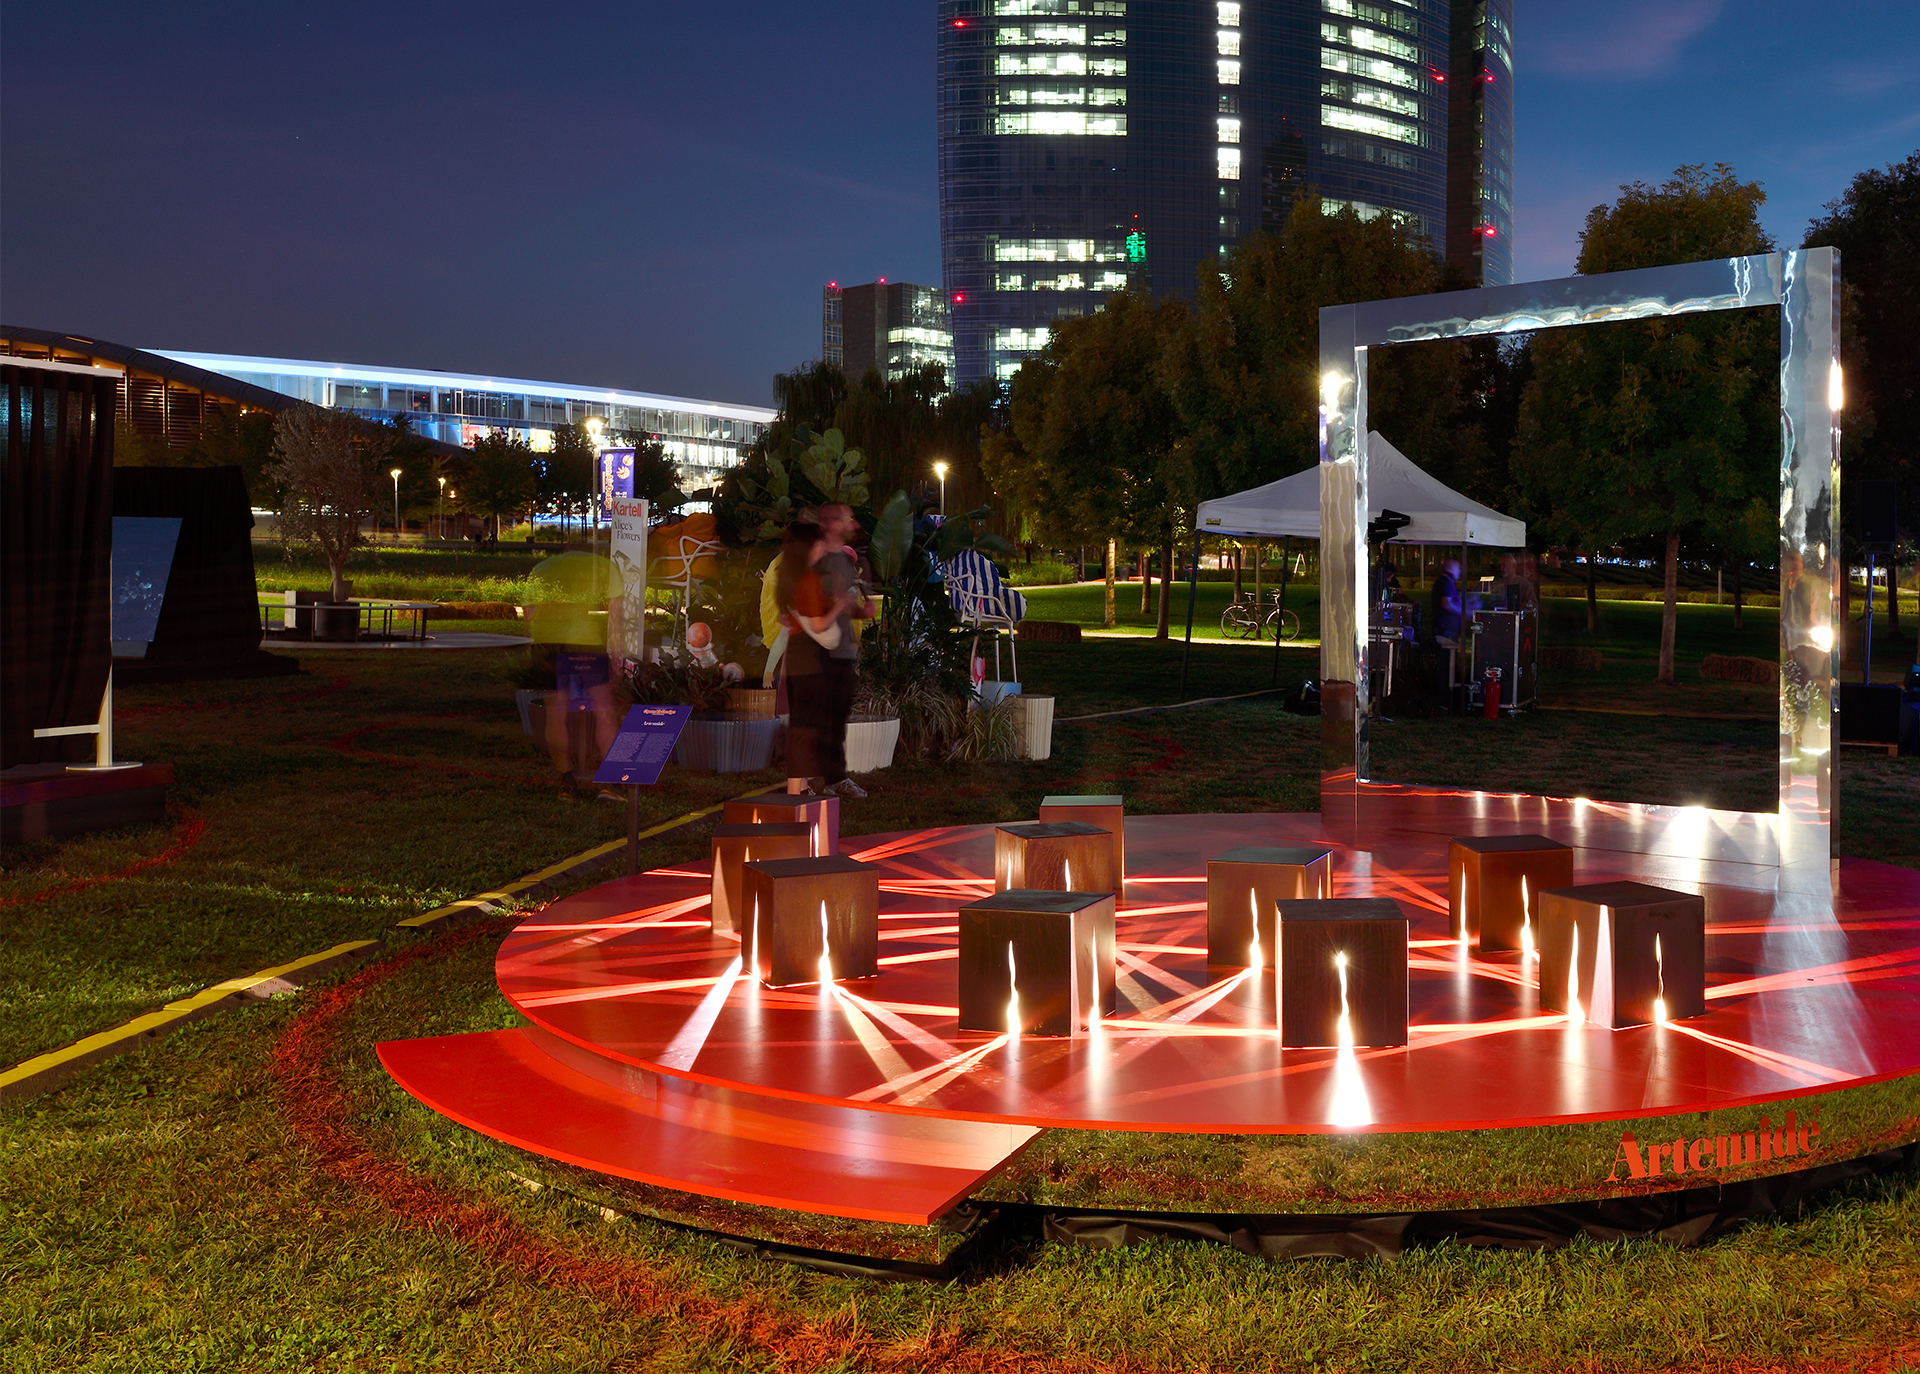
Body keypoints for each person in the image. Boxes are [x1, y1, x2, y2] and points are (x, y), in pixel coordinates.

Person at [775, 516, 873, 798]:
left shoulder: (792, 576)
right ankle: (798, 792)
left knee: (804, 725)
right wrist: (841, 605)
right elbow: (819, 624)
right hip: (813, 659)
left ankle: (800, 789)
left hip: (804, 658)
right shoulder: (808, 580)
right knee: (806, 727)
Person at [525, 548, 620, 801]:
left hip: (547, 643)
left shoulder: (542, 568)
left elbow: (528, 614)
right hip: (588, 643)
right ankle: (609, 784)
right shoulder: (604, 567)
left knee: (555, 714)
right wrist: (616, 653)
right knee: (604, 711)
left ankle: (566, 782)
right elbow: (616, 617)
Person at [1430, 557, 1464, 643]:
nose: (1459, 571)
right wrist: (1462, 611)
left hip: (1445, 628)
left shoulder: (1445, 580)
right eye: (1458, 568)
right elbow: (1447, 604)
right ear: (1451, 567)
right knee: (1447, 651)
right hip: (1445, 629)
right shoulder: (1446, 581)